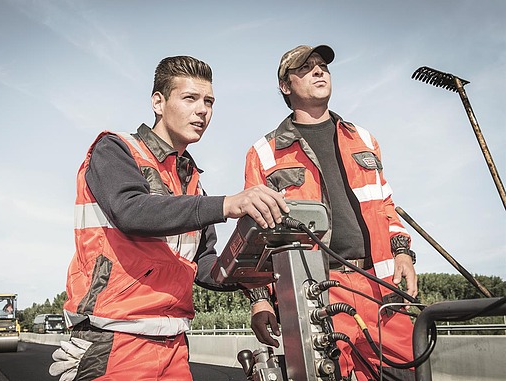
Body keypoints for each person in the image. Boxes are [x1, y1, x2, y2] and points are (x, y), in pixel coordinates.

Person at [49, 55, 288, 381]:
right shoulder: (117, 150)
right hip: (115, 338)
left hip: (174, 343)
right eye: (190, 98)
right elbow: (130, 211)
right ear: (158, 102)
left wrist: (258, 287)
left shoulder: (193, 184)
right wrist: (227, 205)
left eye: (209, 101)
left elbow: (205, 266)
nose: (202, 110)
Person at [243, 44, 418, 381]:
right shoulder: (265, 152)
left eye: (322, 65)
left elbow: (384, 204)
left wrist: (403, 253)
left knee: (409, 373)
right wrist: (259, 300)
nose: (319, 71)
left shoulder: (362, 138)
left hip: (379, 289)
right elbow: (256, 236)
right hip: (317, 293)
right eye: (305, 68)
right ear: (285, 86)